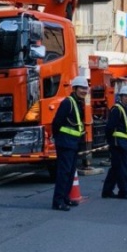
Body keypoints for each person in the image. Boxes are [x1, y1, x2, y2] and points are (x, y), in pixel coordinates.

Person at [51, 76, 88, 211]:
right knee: (64, 173)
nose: (84, 91)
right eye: (82, 88)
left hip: (73, 143)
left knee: (70, 173)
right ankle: (58, 201)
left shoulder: (78, 103)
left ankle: (65, 198)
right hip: (65, 143)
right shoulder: (68, 103)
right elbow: (57, 122)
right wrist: (58, 138)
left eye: (85, 88)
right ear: (75, 89)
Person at [102, 85, 127, 200]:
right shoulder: (117, 109)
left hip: (121, 143)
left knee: (116, 168)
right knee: (122, 169)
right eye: (126, 96)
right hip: (118, 144)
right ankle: (124, 191)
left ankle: (107, 191)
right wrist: (111, 142)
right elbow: (109, 128)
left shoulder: (124, 109)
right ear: (120, 97)